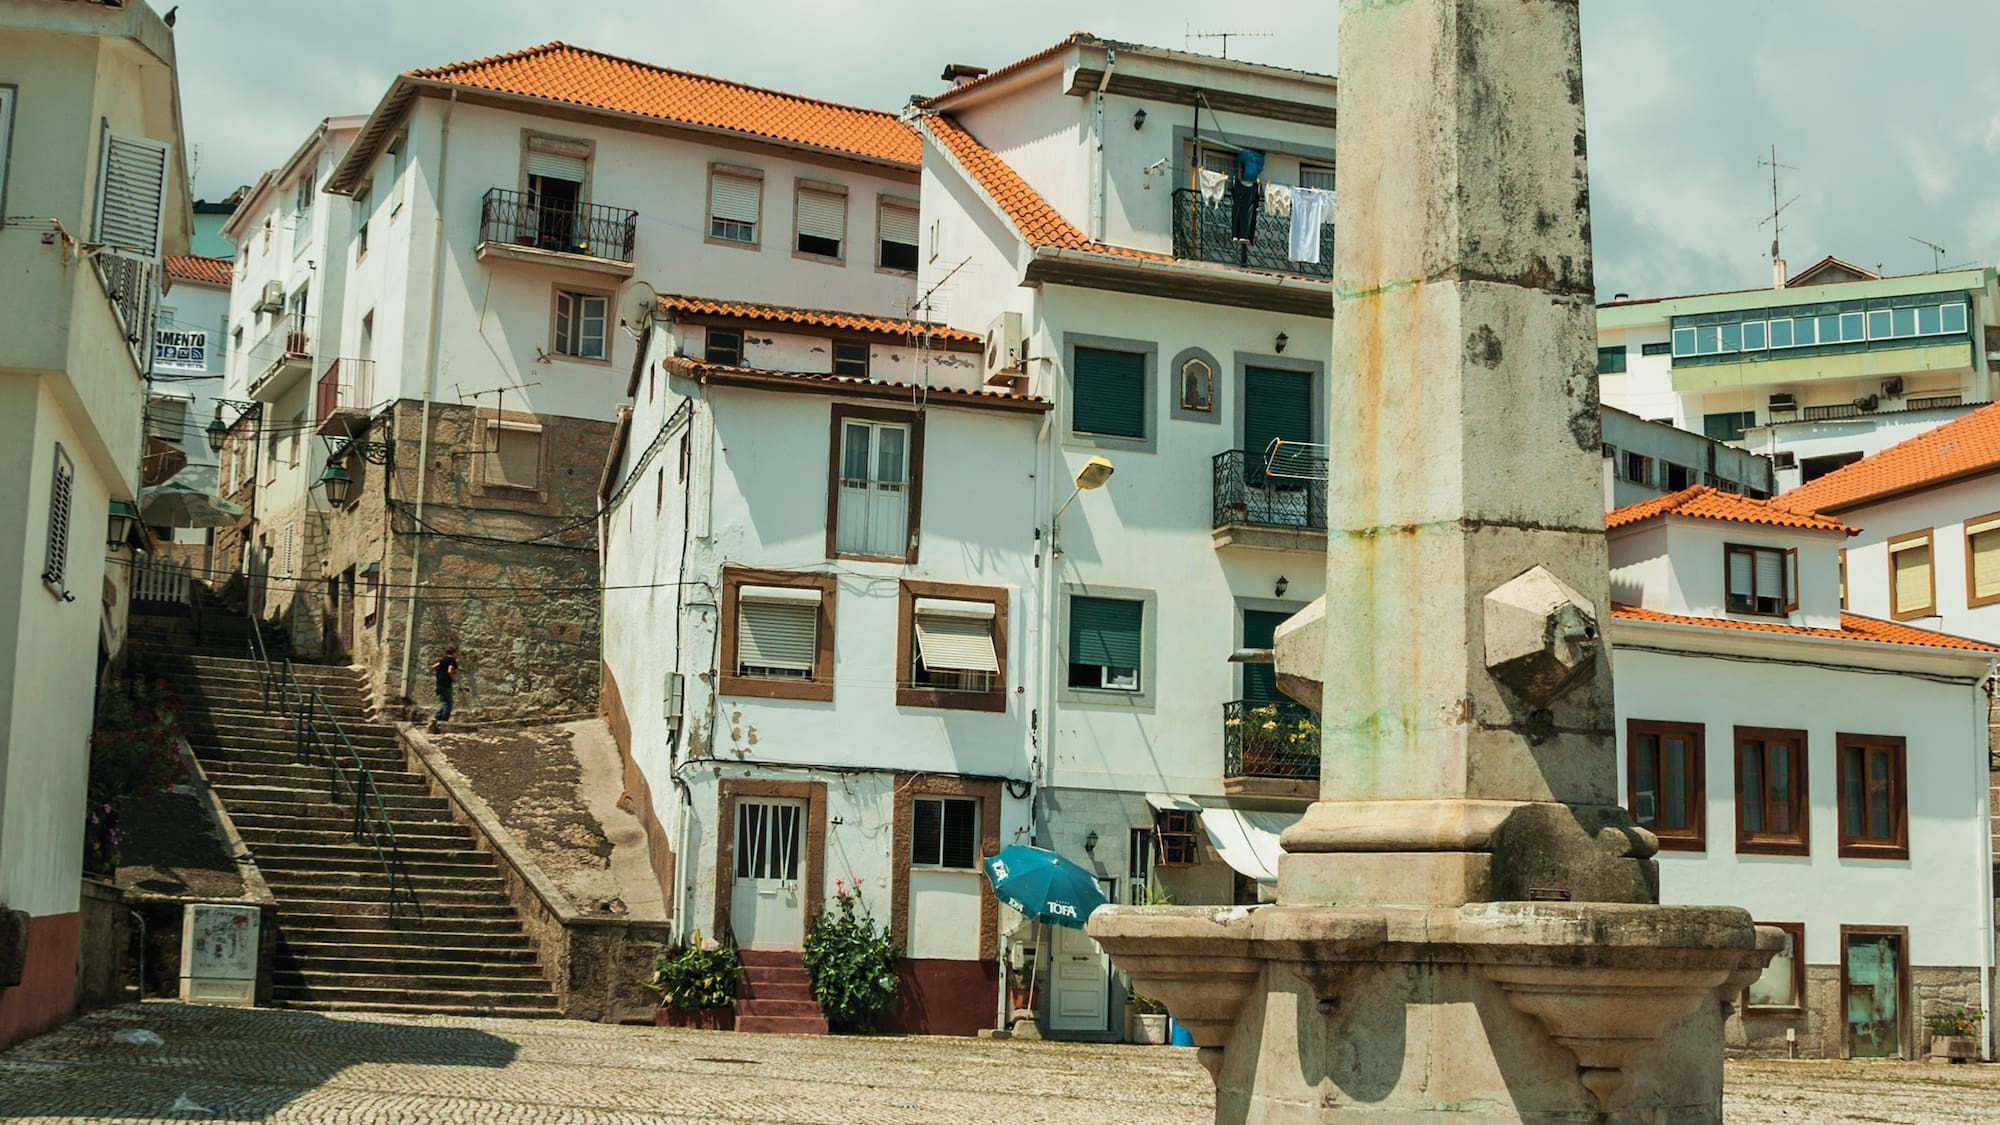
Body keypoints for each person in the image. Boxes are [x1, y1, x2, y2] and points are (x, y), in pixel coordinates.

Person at [432, 644, 458, 723]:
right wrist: (453, 678)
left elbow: (433, 666)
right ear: (453, 653)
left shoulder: (443, 659)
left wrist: (439, 674)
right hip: (446, 684)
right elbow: (449, 670)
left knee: (445, 702)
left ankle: (437, 717)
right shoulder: (452, 660)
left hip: (439, 683)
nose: (458, 655)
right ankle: (443, 722)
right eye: (457, 653)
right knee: (448, 704)